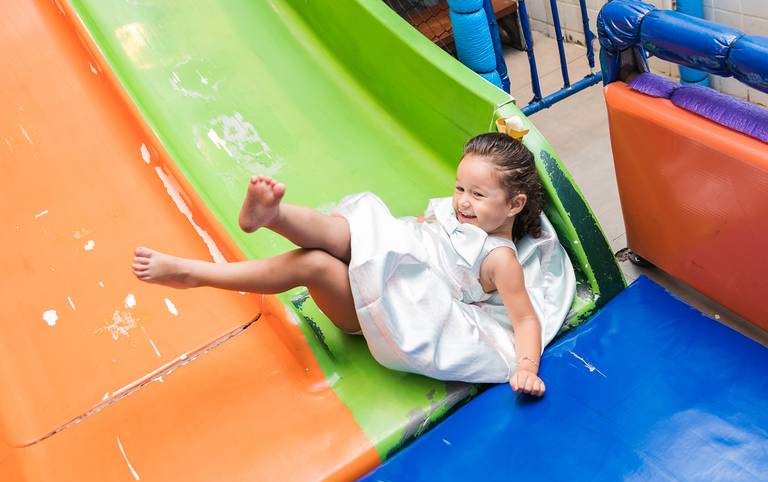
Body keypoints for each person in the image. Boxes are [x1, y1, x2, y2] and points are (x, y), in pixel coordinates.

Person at [132, 133, 575, 396]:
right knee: (343, 231)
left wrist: (526, 368)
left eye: (477, 195)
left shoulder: (500, 260)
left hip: (398, 303)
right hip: (402, 255)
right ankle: (272, 215)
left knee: (314, 265)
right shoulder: (464, 213)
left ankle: (197, 275)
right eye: (460, 188)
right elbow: (429, 228)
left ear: (514, 204)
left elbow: (524, 319)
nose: (462, 201)